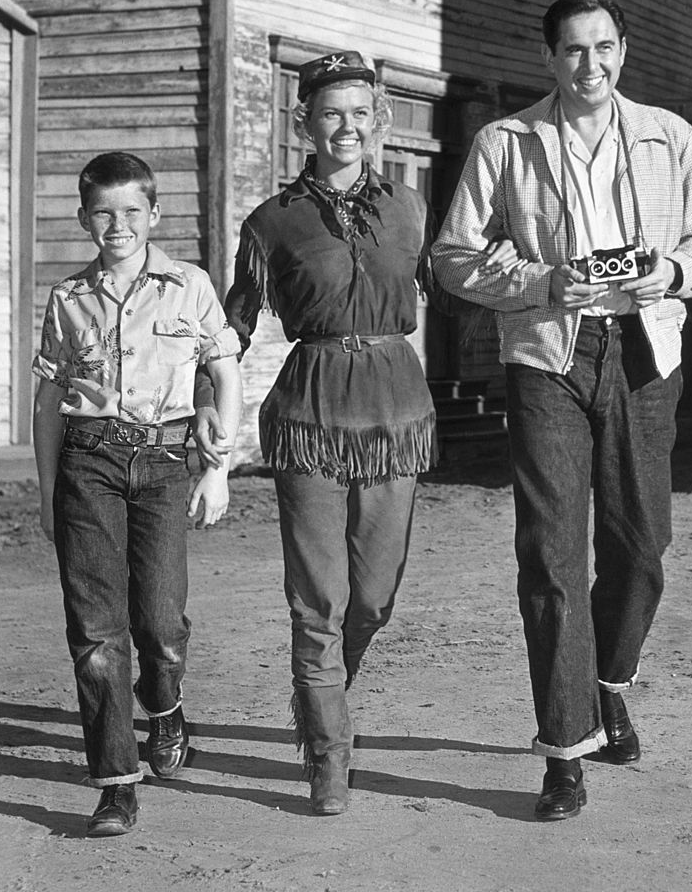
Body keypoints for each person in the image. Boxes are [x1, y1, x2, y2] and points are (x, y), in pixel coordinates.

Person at [193, 50, 518, 815]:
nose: (347, 126)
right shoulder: (271, 221)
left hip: (395, 412)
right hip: (308, 414)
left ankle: (318, 694)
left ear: (379, 122)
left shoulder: (408, 206)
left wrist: (500, 273)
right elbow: (231, 325)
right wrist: (206, 396)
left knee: (371, 599)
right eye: (330, 113)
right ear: (304, 122)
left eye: (360, 113)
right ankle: (330, 755)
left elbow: (455, 297)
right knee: (318, 598)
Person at [431, 0, 692, 821]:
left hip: (641, 351)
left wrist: (668, 273)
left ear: (622, 51)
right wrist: (539, 281)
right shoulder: (506, 140)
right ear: (548, 59)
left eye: (602, 49)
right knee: (552, 556)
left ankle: (606, 681)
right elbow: (454, 256)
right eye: (571, 51)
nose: (588, 65)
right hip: (547, 355)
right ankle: (564, 750)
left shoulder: (669, 135)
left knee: (640, 544)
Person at [32, 152, 243, 837]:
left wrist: (218, 469)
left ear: (155, 214)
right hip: (87, 461)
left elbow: (224, 368)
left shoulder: (189, 285)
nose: (116, 224)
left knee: (159, 623)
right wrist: (45, 490)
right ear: (83, 217)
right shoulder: (69, 298)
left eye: (130, 211)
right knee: (95, 632)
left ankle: (165, 703)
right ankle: (115, 783)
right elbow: (48, 401)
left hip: (162, 462)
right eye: (102, 211)